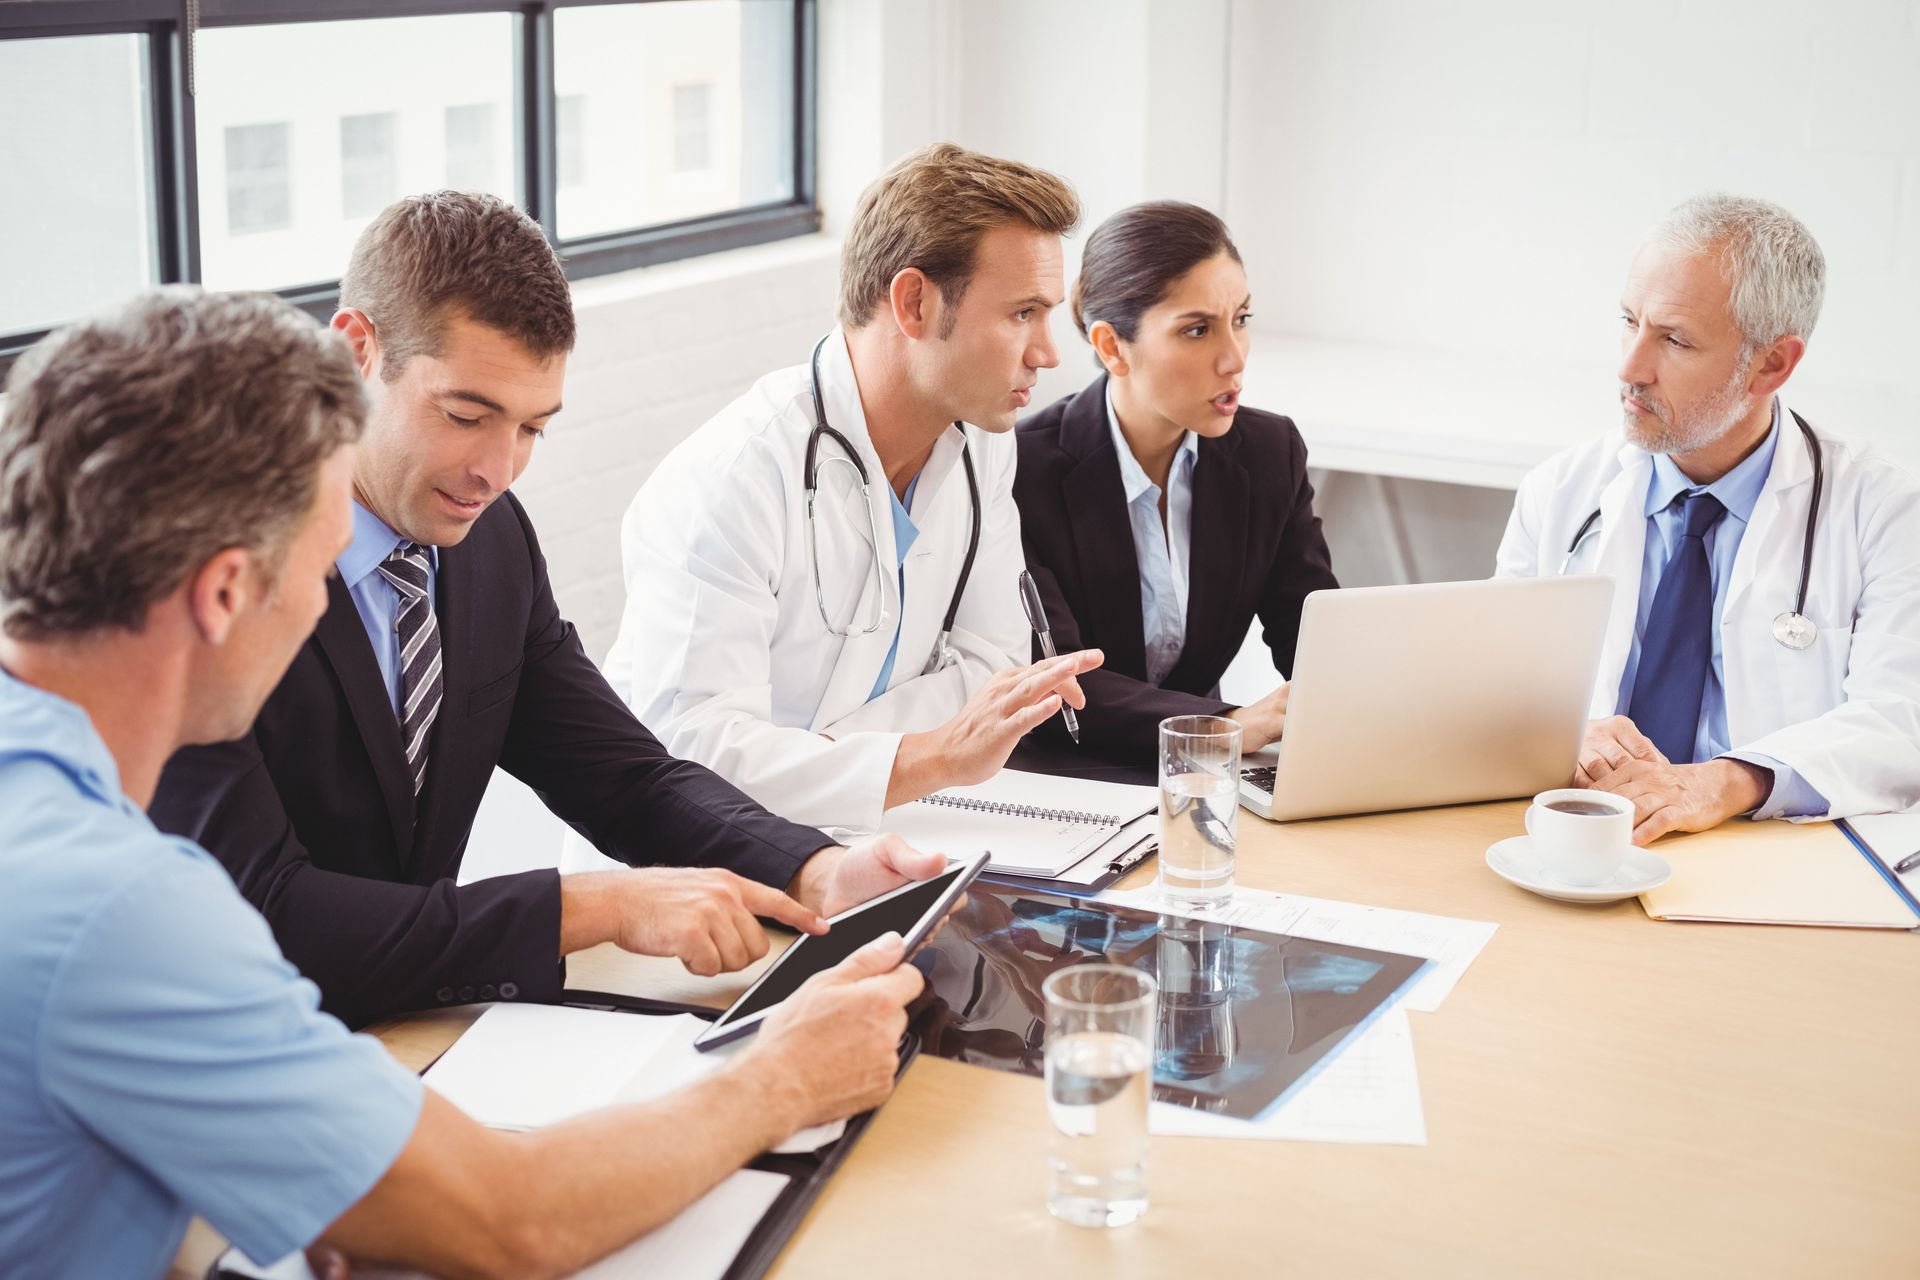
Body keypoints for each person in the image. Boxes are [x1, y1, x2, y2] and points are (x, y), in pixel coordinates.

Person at [0, 289, 924, 1279]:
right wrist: (780, 1078)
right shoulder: (123, 907)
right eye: (319, 568)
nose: (328, 595)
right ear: (226, 591)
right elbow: (513, 1219)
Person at [151, 193, 943, 1029]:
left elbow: (625, 776)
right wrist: (593, 907)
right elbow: (264, 913)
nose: (497, 470)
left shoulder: (489, 543)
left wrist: (811, 869)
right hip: (228, 1040)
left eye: (533, 428)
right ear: (357, 353)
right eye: (466, 415)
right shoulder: (218, 577)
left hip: (413, 1028)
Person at [583, 143, 1102, 842]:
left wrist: (821, 753)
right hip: (695, 884)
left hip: (877, 844)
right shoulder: (732, 479)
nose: (1047, 353)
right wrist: (930, 753)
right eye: (1021, 315)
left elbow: (995, 670)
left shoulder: (983, 442)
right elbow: (695, 755)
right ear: (914, 303)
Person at [1495, 194, 1920, 843]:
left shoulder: (1885, 511)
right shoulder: (1561, 492)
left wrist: (1726, 781)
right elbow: (1491, 686)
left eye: (1674, 339)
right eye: (1629, 321)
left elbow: (1900, 722)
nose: (1630, 369)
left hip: (1771, 849)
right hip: (1587, 835)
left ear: (1772, 364)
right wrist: (1561, 735)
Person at [1013, 201, 1337, 760]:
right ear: (1112, 346)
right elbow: (1057, 682)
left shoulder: (1269, 453)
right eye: (1196, 330)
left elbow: (1316, 639)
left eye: (1241, 320)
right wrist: (1227, 724)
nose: (1234, 358)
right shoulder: (1023, 468)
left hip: (1203, 776)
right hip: (1070, 774)